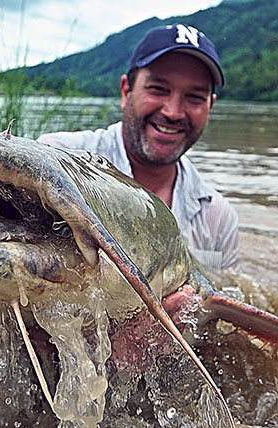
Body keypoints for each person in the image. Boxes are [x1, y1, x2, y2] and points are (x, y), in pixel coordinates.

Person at [38, 23, 241, 273]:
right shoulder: (58, 160)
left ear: (210, 106)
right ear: (126, 91)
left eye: (195, 97)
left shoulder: (219, 218)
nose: (173, 112)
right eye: (158, 89)